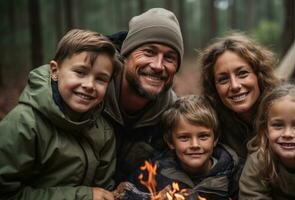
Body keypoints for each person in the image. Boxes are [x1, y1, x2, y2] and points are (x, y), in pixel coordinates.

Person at [200, 33, 295, 165]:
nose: (234, 85)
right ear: (214, 87)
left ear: (259, 75)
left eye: (242, 73)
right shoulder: (214, 125)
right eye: (223, 79)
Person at [0, 29, 120, 200]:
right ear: (55, 71)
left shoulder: (104, 130)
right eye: (80, 72)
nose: (89, 85)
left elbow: (104, 190)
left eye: (101, 79)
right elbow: (6, 193)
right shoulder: (24, 123)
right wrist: (83, 196)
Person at [104, 8, 184, 183]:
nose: (158, 65)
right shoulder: (91, 93)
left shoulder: (173, 115)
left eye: (169, 58)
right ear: (126, 55)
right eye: (149, 52)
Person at [128, 95, 242, 199]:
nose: (195, 145)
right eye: (184, 138)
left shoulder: (232, 174)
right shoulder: (153, 173)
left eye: (203, 136)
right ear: (170, 142)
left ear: (215, 139)